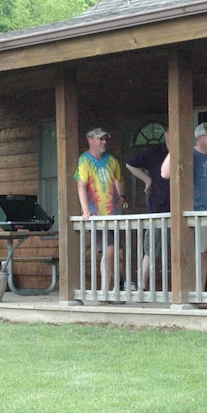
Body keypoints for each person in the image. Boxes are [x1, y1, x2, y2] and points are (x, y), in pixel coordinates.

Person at [160, 121, 207, 292]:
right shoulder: (188, 154)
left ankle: (202, 293)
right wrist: (175, 148)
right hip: (196, 214)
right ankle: (197, 294)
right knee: (199, 255)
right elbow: (165, 173)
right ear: (200, 138)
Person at [75, 127, 126, 297]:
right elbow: (81, 186)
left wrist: (121, 196)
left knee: (113, 252)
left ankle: (113, 287)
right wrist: (85, 211)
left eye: (106, 139)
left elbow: (119, 179)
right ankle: (107, 291)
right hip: (95, 215)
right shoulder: (85, 160)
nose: (104, 142)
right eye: (101, 139)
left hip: (113, 214)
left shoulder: (111, 160)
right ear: (91, 140)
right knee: (109, 250)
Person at [125, 124, 170, 291]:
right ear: (166, 134)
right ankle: (142, 286)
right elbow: (131, 164)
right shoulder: (154, 151)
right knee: (151, 250)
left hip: (180, 208)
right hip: (158, 208)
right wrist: (147, 179)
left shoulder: (185, 150)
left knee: (183, 250)